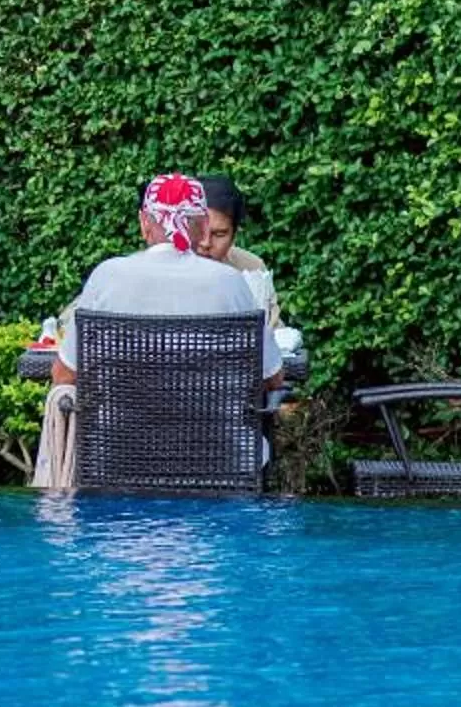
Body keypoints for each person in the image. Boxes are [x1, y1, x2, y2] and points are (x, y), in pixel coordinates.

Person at [35, 172, 280, 488]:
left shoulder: (108, 277)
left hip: (116, 462)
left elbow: (64, 376)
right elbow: (272, 377)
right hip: (220, 467)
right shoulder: (230, 283)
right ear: (203, 225)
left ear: (144, 223)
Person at [193, 173, 282, 330]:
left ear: (234, 235)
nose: (206, 243)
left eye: (219, 234)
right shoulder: (158, 269)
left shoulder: (251, 268)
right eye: (198, 230)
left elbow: (275, 335)